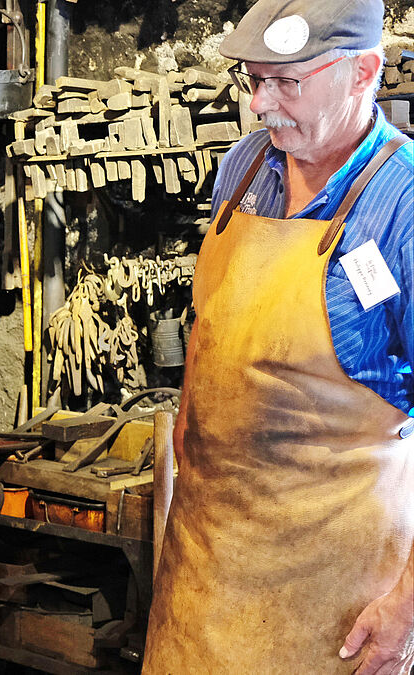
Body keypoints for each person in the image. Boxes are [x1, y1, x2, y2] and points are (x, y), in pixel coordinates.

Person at [143, 0, 414, 673]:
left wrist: (407, 607)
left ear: (363, 72)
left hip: (329, 613)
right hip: (202, 586)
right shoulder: (242, 172)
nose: (261, 104)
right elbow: (211, 331)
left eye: (288, 83)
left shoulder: (404, 206)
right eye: (253, 80)